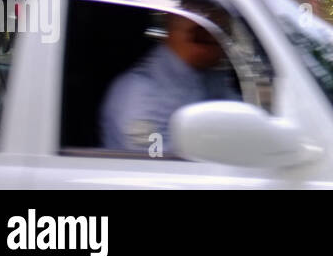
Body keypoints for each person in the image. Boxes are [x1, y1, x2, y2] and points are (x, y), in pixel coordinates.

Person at [100, 10, 240, 154]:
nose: (225, 48)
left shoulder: (211, 77)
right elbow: (154, 158)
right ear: (199, 35)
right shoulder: (139, 90)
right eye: (222, 36)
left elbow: (241, 119)